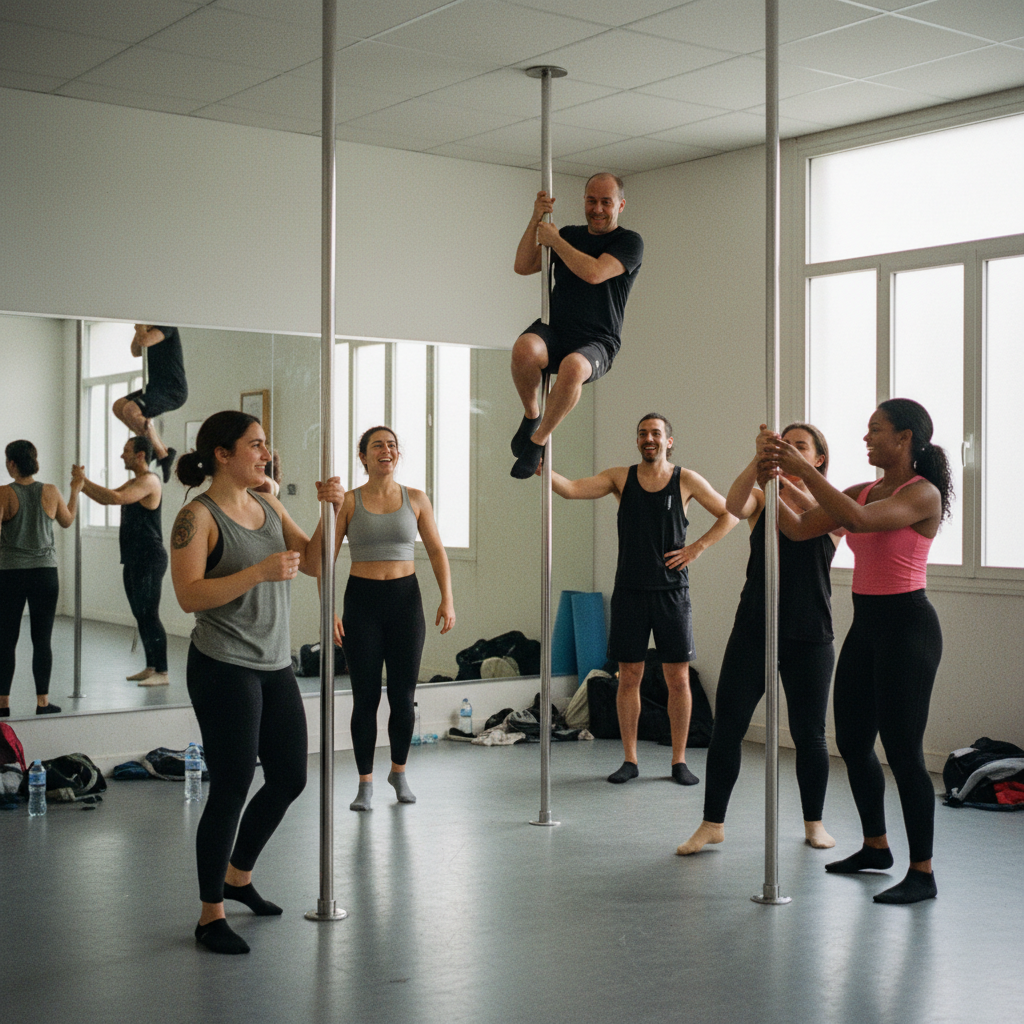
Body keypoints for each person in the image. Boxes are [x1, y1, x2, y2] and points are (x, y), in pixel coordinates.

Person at [763, 398, 952, 905]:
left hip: (909, 630)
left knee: (904, 753)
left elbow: (860, 521)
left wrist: (803, 468)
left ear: (905, 438)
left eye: (876, 430)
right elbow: (799, 526)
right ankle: (876, 847)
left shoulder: (923, 494)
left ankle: (923, 872)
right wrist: (772, 481)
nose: (866, 438)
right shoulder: (862, 490)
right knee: (851, 741)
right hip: (866, 628)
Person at [169, 410, 344, 954]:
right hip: (222, 663)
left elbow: (314, 562)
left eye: (266, 444)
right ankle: (209, 916)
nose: (267, 454)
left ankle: (237, 877)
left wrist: (330, 511)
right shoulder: (196, 517)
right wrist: (259, 572)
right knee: (232, 784)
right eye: (256, 445)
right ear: (222, 455)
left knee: (290, 776)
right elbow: (188, 595)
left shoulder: (269, 504)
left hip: (274, 664)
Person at [677, 423, 840, 856]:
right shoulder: (763, 498)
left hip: (810, 632)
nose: (789, 450)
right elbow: (733, 505)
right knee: (727, 728)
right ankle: (712, 824)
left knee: (810, 734)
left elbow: (827, 523)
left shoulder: (830, 504)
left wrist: (792, 478)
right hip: (754, 627)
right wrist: (758, 461)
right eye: (784, 445)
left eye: (799, 446)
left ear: (818, 458)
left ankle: (814, 823)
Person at [549, 414, 736, 784]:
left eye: (655, 433)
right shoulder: (620, 478)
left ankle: (679, 761)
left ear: (669, 441)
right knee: (629, 677)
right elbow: (570, 489)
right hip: (630, 593)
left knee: (677, 678)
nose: (648, 438)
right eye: (642, 433)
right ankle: (630, 759)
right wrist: (543, 468)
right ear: (637, 440)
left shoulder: (686, 480)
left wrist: (697, 548)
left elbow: (730, 513)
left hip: (672, 594)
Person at [331, 426, 456, 812]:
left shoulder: (416, 498)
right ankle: (365, 783)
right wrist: (328, 610)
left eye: (392, 445)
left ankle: (398, 772)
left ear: (397, 454)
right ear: (363, 456)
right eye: (377, 446)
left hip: (405, 604)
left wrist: (447, 599)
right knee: (365, 698)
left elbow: (436, 551)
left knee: (403, 697)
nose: (386, 450)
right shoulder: (348, 502)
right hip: (362, 605)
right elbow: (324, 559)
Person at [509, 173, 644, 479]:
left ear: (620, 205)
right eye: (591, 201)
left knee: (573, 367)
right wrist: (535, 219)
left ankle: (538, 440)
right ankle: (532, 414)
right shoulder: (570, 234)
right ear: (584, 200)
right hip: (556, 329)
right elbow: (523, 265)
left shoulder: (629, 242)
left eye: (606, 202)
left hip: (598, 340)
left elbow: (595, 272)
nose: (597, 209)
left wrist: (556, 241)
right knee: (524, 349)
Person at [77, 436, 169, 686]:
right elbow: (107, 496)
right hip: (134, 557)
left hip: (150, 557)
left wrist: (84, 482)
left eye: (126, 451)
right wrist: (82, 485)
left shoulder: (149, 481)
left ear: (140, 455)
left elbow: (116, 499)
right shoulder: (134, 481)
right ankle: (151, 666)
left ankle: (162, 672)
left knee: (149, 614)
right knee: (140, 613)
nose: (121, 455)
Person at [0, 441, 82, 717]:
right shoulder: (50, 491)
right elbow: (67, 520)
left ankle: (3, 704)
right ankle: (43, 703)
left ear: (12, 463)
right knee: (42, 639)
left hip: (10, 573)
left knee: (6, 640)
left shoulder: (3, 493)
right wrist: (75, 490)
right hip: (45, 574)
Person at [112, 324, 187, 483]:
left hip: (173, 389)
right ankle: (151, 444)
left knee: (131, 410)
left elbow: (145, 341)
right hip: (155, 387)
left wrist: (141, 328)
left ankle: (163, 454)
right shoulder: (146, 332)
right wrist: (139, 330)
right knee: (119, 406)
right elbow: (136, 351)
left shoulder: (167, 326)